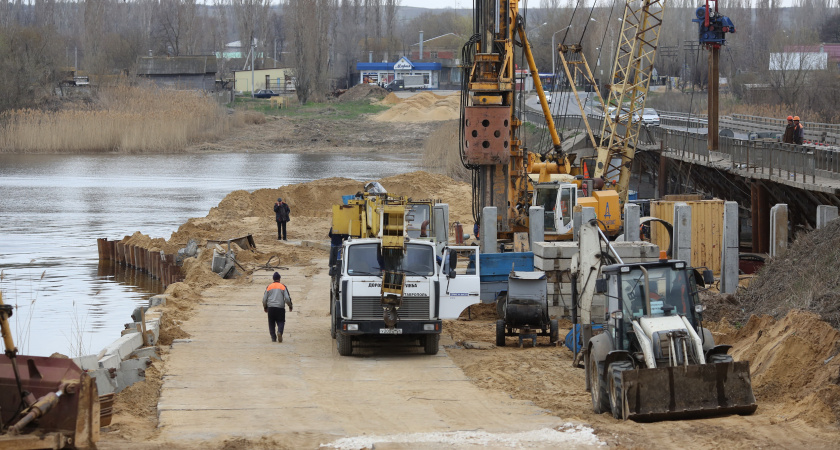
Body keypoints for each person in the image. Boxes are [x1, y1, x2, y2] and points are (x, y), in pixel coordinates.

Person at [263, 272, 293, 342]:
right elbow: (287, 298)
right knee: (281, 321)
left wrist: (265, 307)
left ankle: (273, 337)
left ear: (273, 279)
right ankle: (279, 332)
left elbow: (264, 299)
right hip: (280, 308)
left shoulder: (269, 287)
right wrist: (290, 306)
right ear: (279, 279)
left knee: (271, 322)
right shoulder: (283, 286)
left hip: (271, 308)